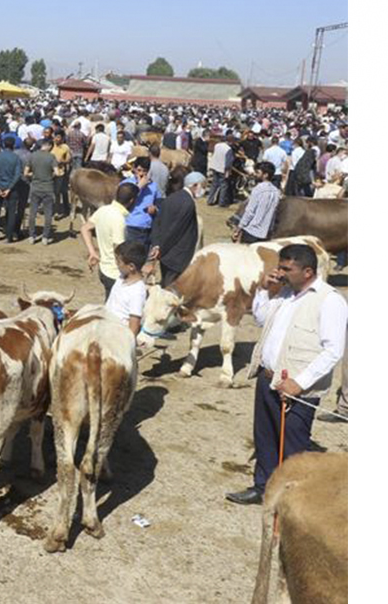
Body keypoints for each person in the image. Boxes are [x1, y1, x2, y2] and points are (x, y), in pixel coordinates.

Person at [225, 244, 347, 506]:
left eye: (286, 269)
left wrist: (298, 382)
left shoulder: (330, 300)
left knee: (293, 446)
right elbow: (260, 319)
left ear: (307, 271)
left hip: (296, 390)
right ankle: (263, 488)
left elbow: (333, 351)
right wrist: (265, 289)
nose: (279, 273)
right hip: (268, 378)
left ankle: (294, 502)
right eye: (280, 267)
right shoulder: (285, 293)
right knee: (265, 437)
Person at [80, 183, 138, 299]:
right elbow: (119, 249)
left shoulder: (103, 210)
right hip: (115, 274)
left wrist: (92, 252)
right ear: (132, 201)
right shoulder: (119, 220)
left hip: (104, 269)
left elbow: (85, 228)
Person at [147, 172, 198, 288]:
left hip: (166, 255)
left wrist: (156, 244)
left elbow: (158, 221)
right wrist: (160, 247)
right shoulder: (188, 203)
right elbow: (176, 230)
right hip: (178, 255)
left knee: (166, 281)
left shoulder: (172, 197)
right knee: (171, 287)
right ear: (194, 185)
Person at [105, 240, 149, 336]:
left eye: (119, 261)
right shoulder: (121, 277)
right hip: (105, 328)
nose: (116, 263)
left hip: (117, 336)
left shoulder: (137, 291)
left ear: (131, 267)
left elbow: (134, 323)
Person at [233, 162, 281, 244]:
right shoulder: (276, 191)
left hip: (251, 231)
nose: (255, 174)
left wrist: (239, 227)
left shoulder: (258, 189)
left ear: (265, 175)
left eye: (258, 173)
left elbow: (250, 211)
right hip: (265, 232)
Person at [121, 156, 160, 247]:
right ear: (134, 169)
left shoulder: (153, 186)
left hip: (146, 227)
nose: (141, 174)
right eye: (139, 170)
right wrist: (139, 187)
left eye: (145, 171)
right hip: (131, 225)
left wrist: (155, 209)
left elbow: (159, 203)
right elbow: (123, 203)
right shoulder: (126, 184)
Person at [26, 138, 58, 245]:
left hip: (35, 187)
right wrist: (50, 175)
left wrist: (34, 175)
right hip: (48, 187)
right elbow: (57, 173)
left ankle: (31, 236)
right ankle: (45, 237)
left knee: (32, 213)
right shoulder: (51, 157)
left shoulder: (32, 155)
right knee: (48, 214)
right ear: (48, 145)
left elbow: (26, 172)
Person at [207, 134, 235, 207]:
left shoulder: (217, 145)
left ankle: (210, 200)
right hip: (222, 169)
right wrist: (227, 172)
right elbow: (228, 163)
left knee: (214, 184)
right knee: (224, 186)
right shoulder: (228, 149)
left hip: (215, 166)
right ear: (231, 141)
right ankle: (221, 202)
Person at [51, 130, 72, 217]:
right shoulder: (50, 146)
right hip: (50, 172)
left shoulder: (65, 147)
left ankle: (60, 210)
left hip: (61, 172)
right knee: (53, 192)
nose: (56, 139)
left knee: (60, 192)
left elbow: (69, 160)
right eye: (56, 137)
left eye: (59, 137)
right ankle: (54, 209)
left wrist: (62, 161)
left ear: (62, 138)